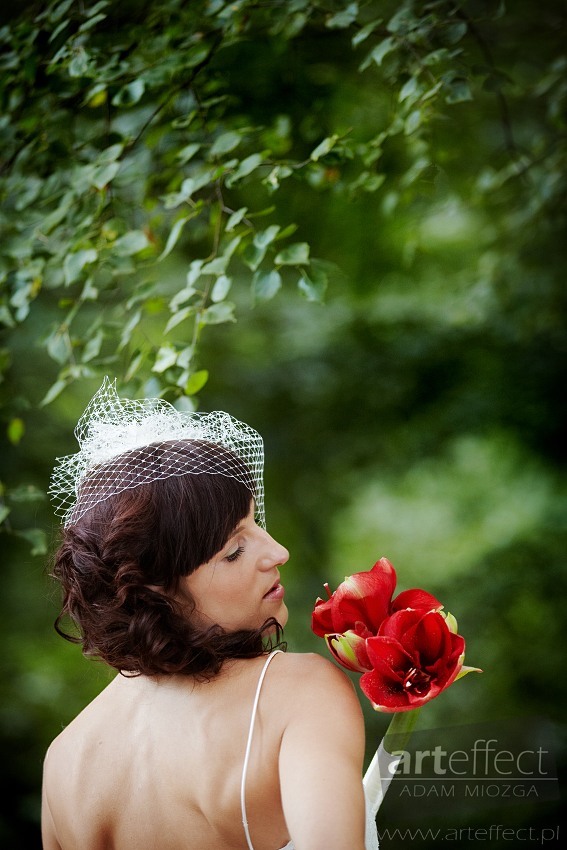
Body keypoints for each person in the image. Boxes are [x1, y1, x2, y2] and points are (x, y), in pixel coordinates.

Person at [42, 378, 376, 850]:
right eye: (235, 551)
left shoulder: (63, 763)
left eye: (256, 522)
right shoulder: (296, 695)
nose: (278, 552)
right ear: (156, 589)